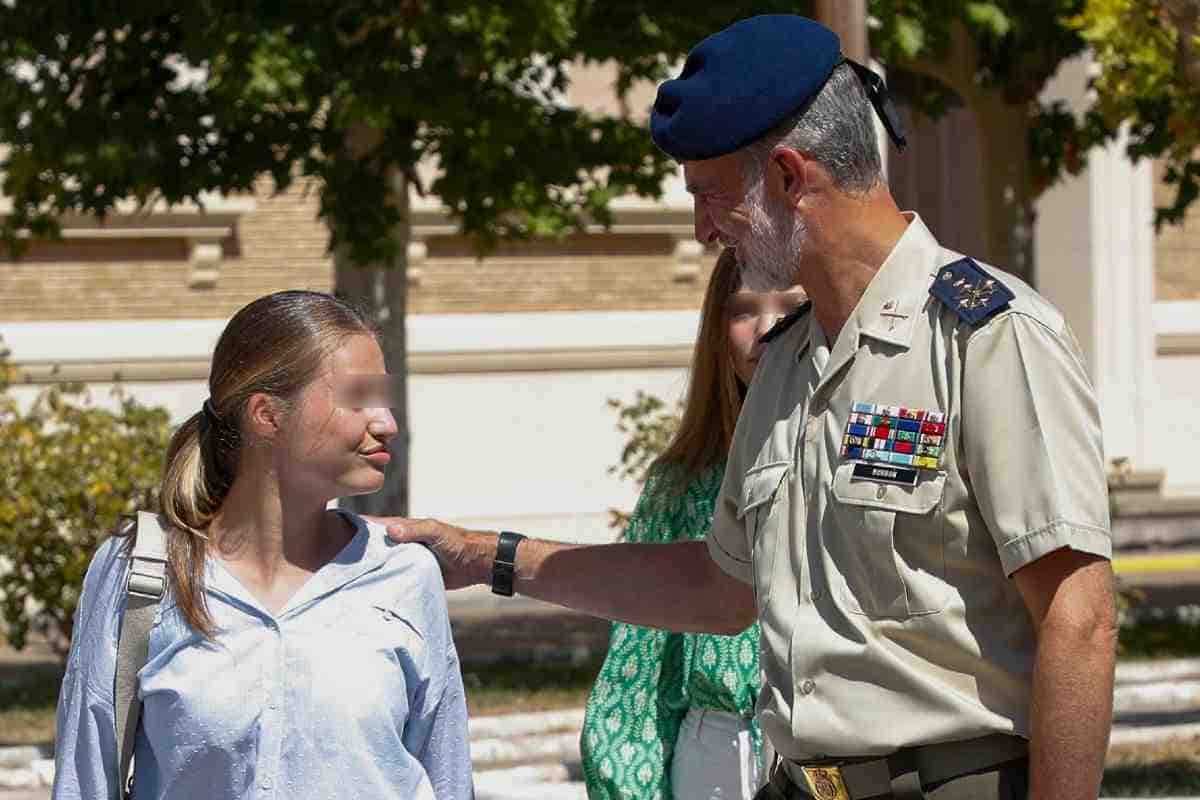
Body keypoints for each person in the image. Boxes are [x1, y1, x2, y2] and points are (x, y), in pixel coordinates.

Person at [386, 14, 1117, 800]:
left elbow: (1079, 616)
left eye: (710, 197)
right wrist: (489, 557)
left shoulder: (985, 337)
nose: (702, 231)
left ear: (791, 177)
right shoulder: (785, 364)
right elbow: (719, 586)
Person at [52, 290, 473, 800]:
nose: (386, 423)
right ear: (266, 414)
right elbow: (85, 782)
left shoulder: (405, 573)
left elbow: (449, 780)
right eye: (359, 396)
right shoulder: (140, 571)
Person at [581, 247, 807, 800]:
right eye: (743, 309)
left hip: (841, 754)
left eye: (792, 306)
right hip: (717, 757)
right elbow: (636, 669)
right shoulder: (684, 482)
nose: (767, 327)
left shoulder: (863, 463)